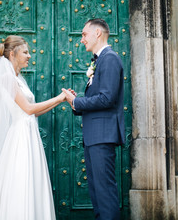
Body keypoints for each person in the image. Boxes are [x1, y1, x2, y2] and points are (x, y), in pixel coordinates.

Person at [0, 35, 65, 220]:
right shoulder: (5, 78)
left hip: (29, 134)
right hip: (20, 138)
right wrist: (60, 98)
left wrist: (61, 101)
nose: (29, 56)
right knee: (21, 182)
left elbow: (32, 112)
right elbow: (28, 109)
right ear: (13, 53)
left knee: (31, 182)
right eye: (26, 52)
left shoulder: (17, 78)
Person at [62, 19, 125, 220]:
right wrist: (76, 103)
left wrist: (78, 101)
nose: (82, 40)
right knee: (97, 193)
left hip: (102, 136)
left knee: (104, 193)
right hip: (94, 136)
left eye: (84, 34)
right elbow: (99, 98)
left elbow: (107, 98)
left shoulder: (110, 59)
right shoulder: (99, 60)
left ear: (98, 33)